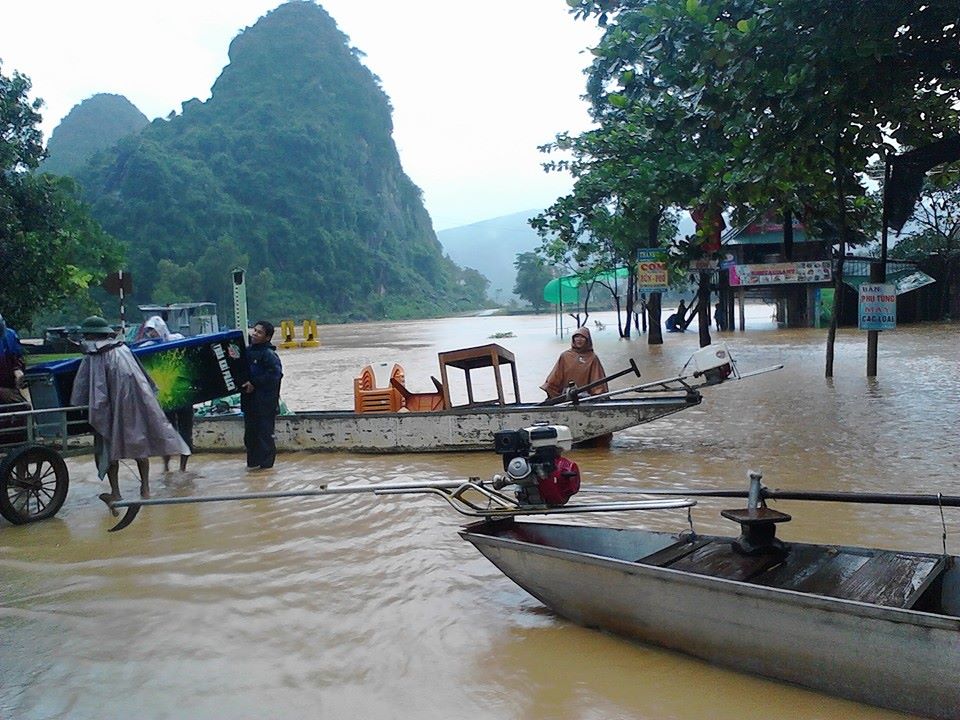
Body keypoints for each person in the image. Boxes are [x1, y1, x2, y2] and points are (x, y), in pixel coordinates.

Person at [69, 316, 190, 506]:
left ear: (92, 335)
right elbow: (142, 379)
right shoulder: (123, 350)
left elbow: (88, 388)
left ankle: (116, 492)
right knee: (138, 445)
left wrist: (83, 407)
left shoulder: (95, 355)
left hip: (110, 409)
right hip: (135, 407)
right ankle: (145, 489)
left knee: (108, 449)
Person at [135, 316, 192, 472]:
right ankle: (166, 466)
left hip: (183, 393)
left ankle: (183, 468)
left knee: (186, 431)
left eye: (153, 330)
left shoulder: (177, 339)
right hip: (164, 396)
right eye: (149, 331)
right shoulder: (147, 347)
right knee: (166, 432)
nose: (151, 334)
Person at [241, 320, 283, 470]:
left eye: (259, 332)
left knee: (265, 437)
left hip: (265, 404)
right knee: (250, 437)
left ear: (267, 338)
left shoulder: (269, 355)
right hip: (249, 403)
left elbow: (275, 376)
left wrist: (255, 384)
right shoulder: (246, 352)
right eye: (254, 330)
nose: (254, 334)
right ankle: (252, 467)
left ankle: (266, 471)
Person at [541, 326, 608, 400]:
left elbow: (598, 380)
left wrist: (597, 395)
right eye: (577, 337)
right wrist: (551, 390)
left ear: (587, 340)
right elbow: (555, 377)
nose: (579, 340)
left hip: (586, 397)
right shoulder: (565, 356)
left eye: (582, 337)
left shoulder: (592, 358)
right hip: (566, 395)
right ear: (573, 339)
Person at [0, 313, 28, 406]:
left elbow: (16, 361)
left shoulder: (10, 335)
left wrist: (18, 372)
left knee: (26, 407)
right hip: (5, 392)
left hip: (11, 389)